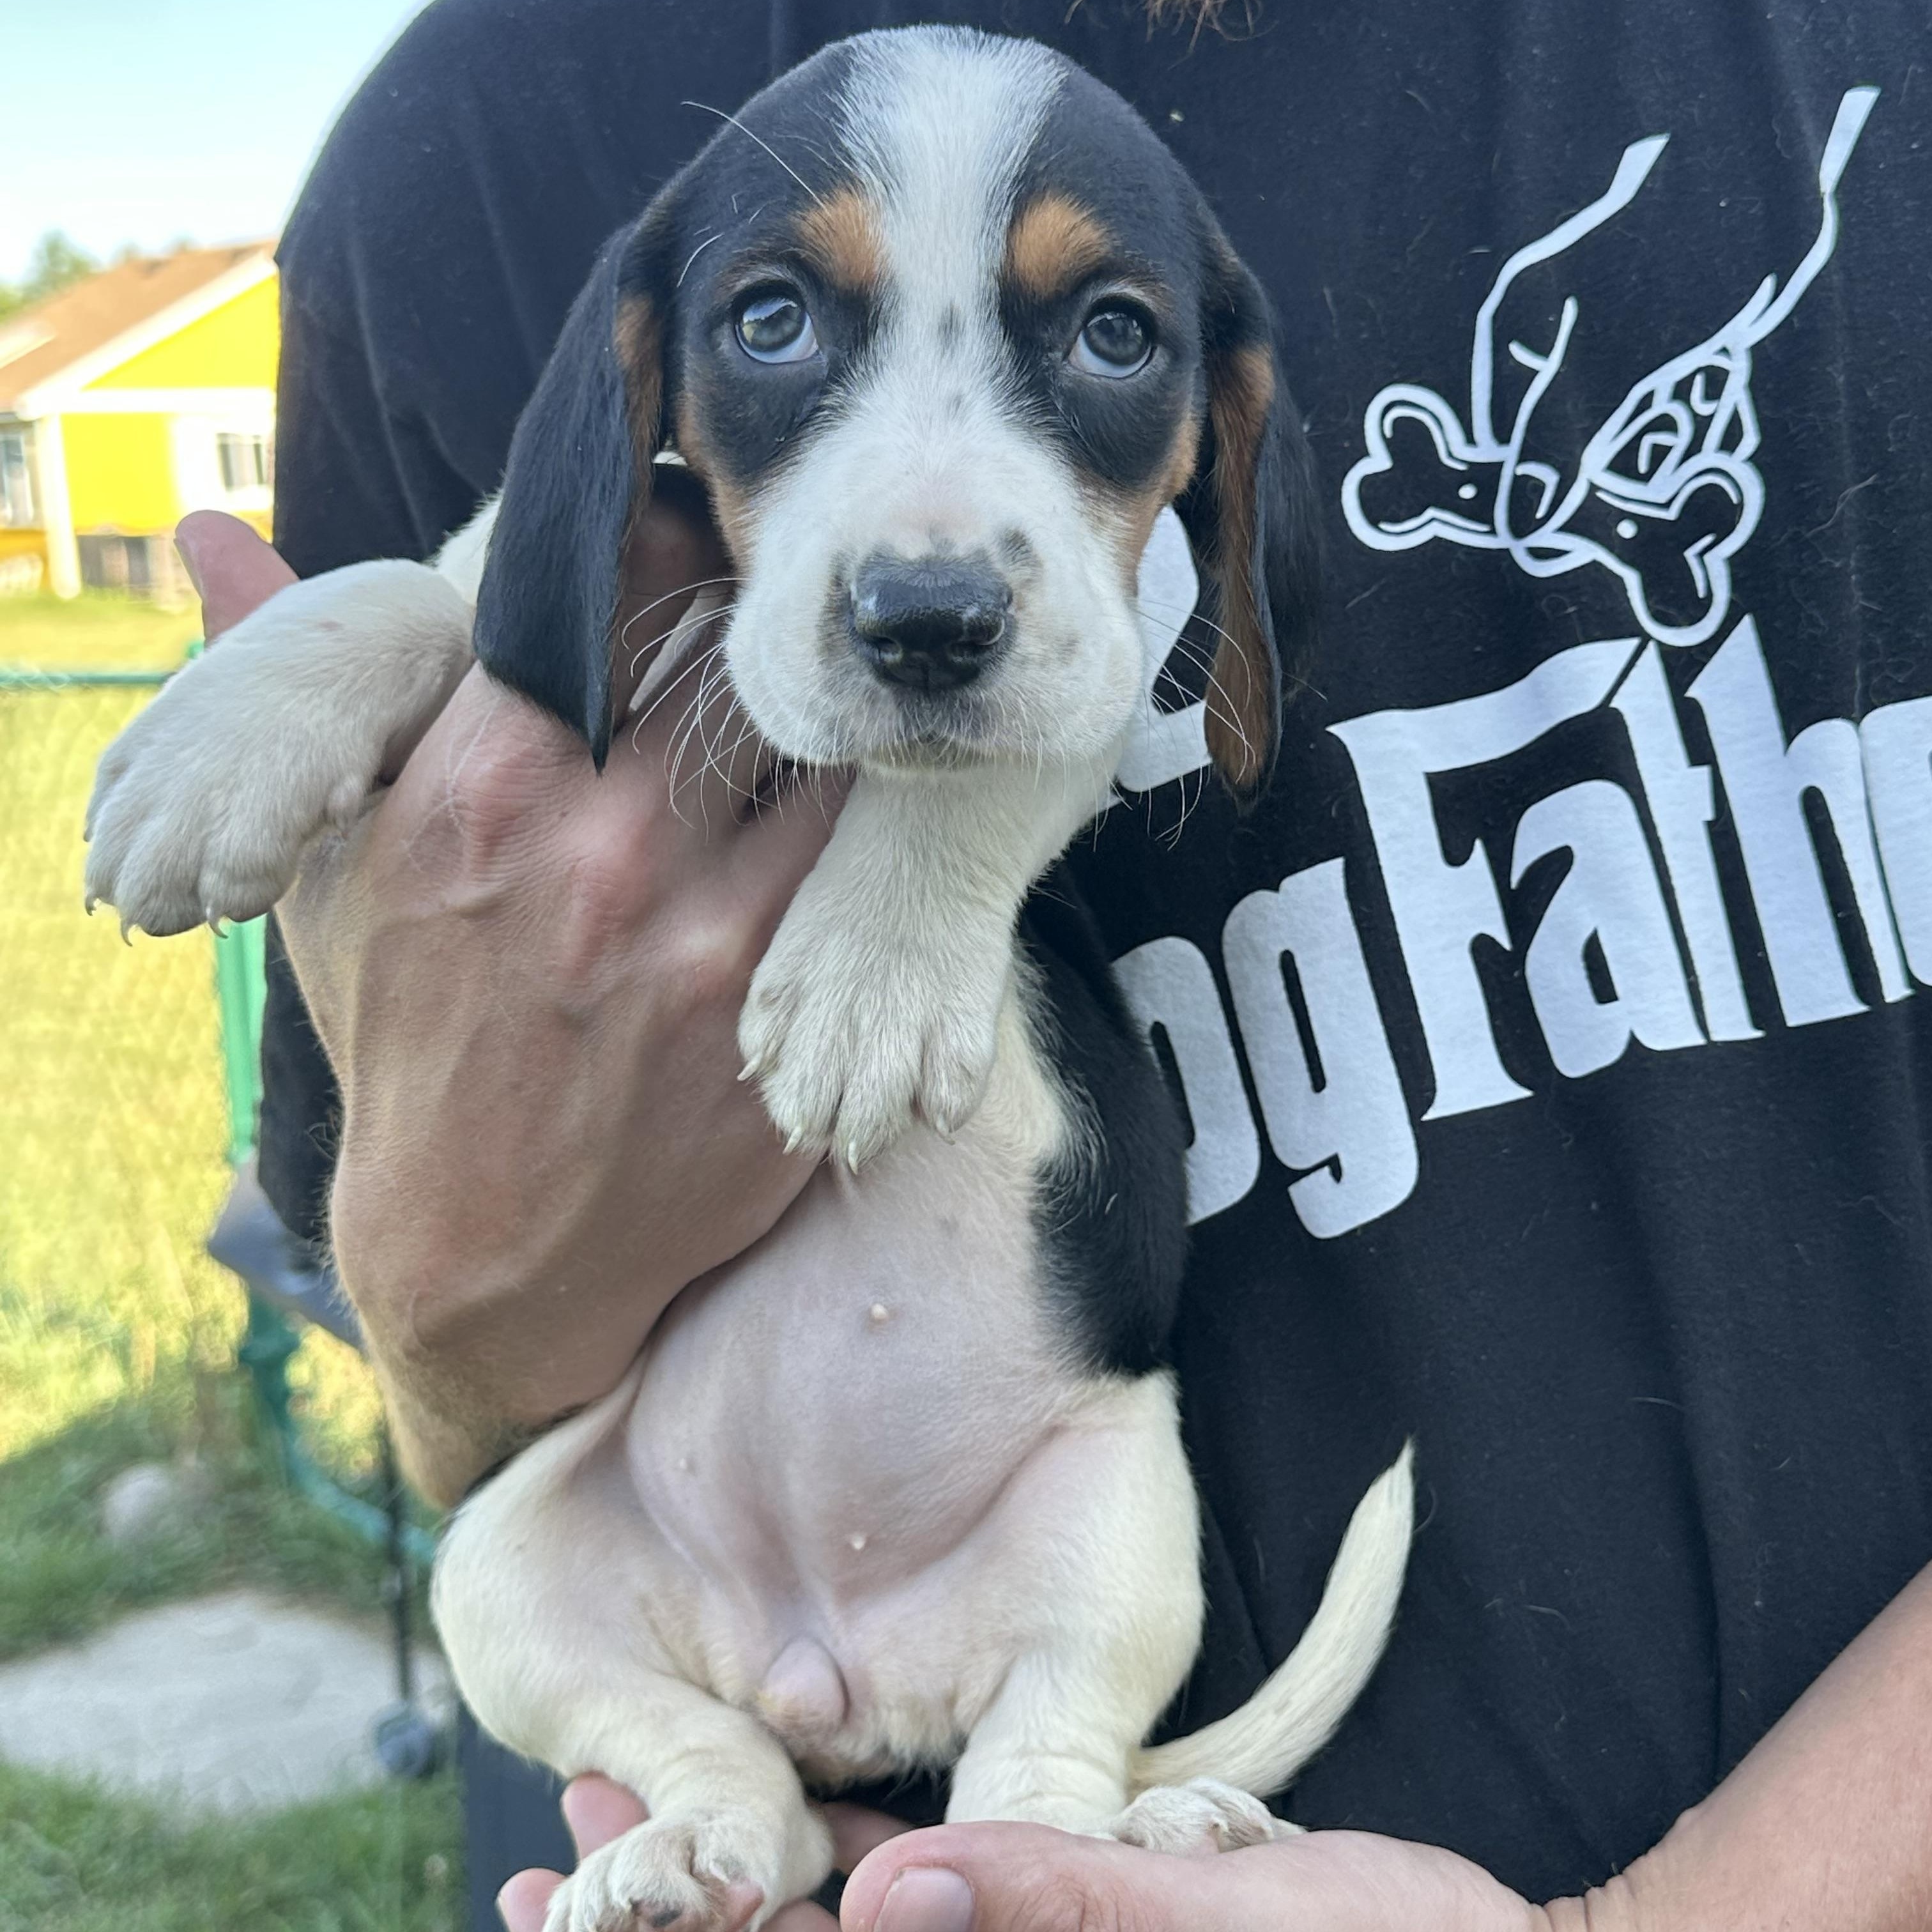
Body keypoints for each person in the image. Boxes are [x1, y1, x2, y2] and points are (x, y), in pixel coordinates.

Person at [189, 0, 1932, 1926]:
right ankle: (738, 1789)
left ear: (1221, 434)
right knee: (509, 1581)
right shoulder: (458, 169)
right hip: (686, 1733)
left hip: (1098, 1588)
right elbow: (423, 1338)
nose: (934, 548)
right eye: (774, 322)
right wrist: (461, 1271)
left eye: (1108, 337)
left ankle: (1049, 1787)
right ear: (658, 371)